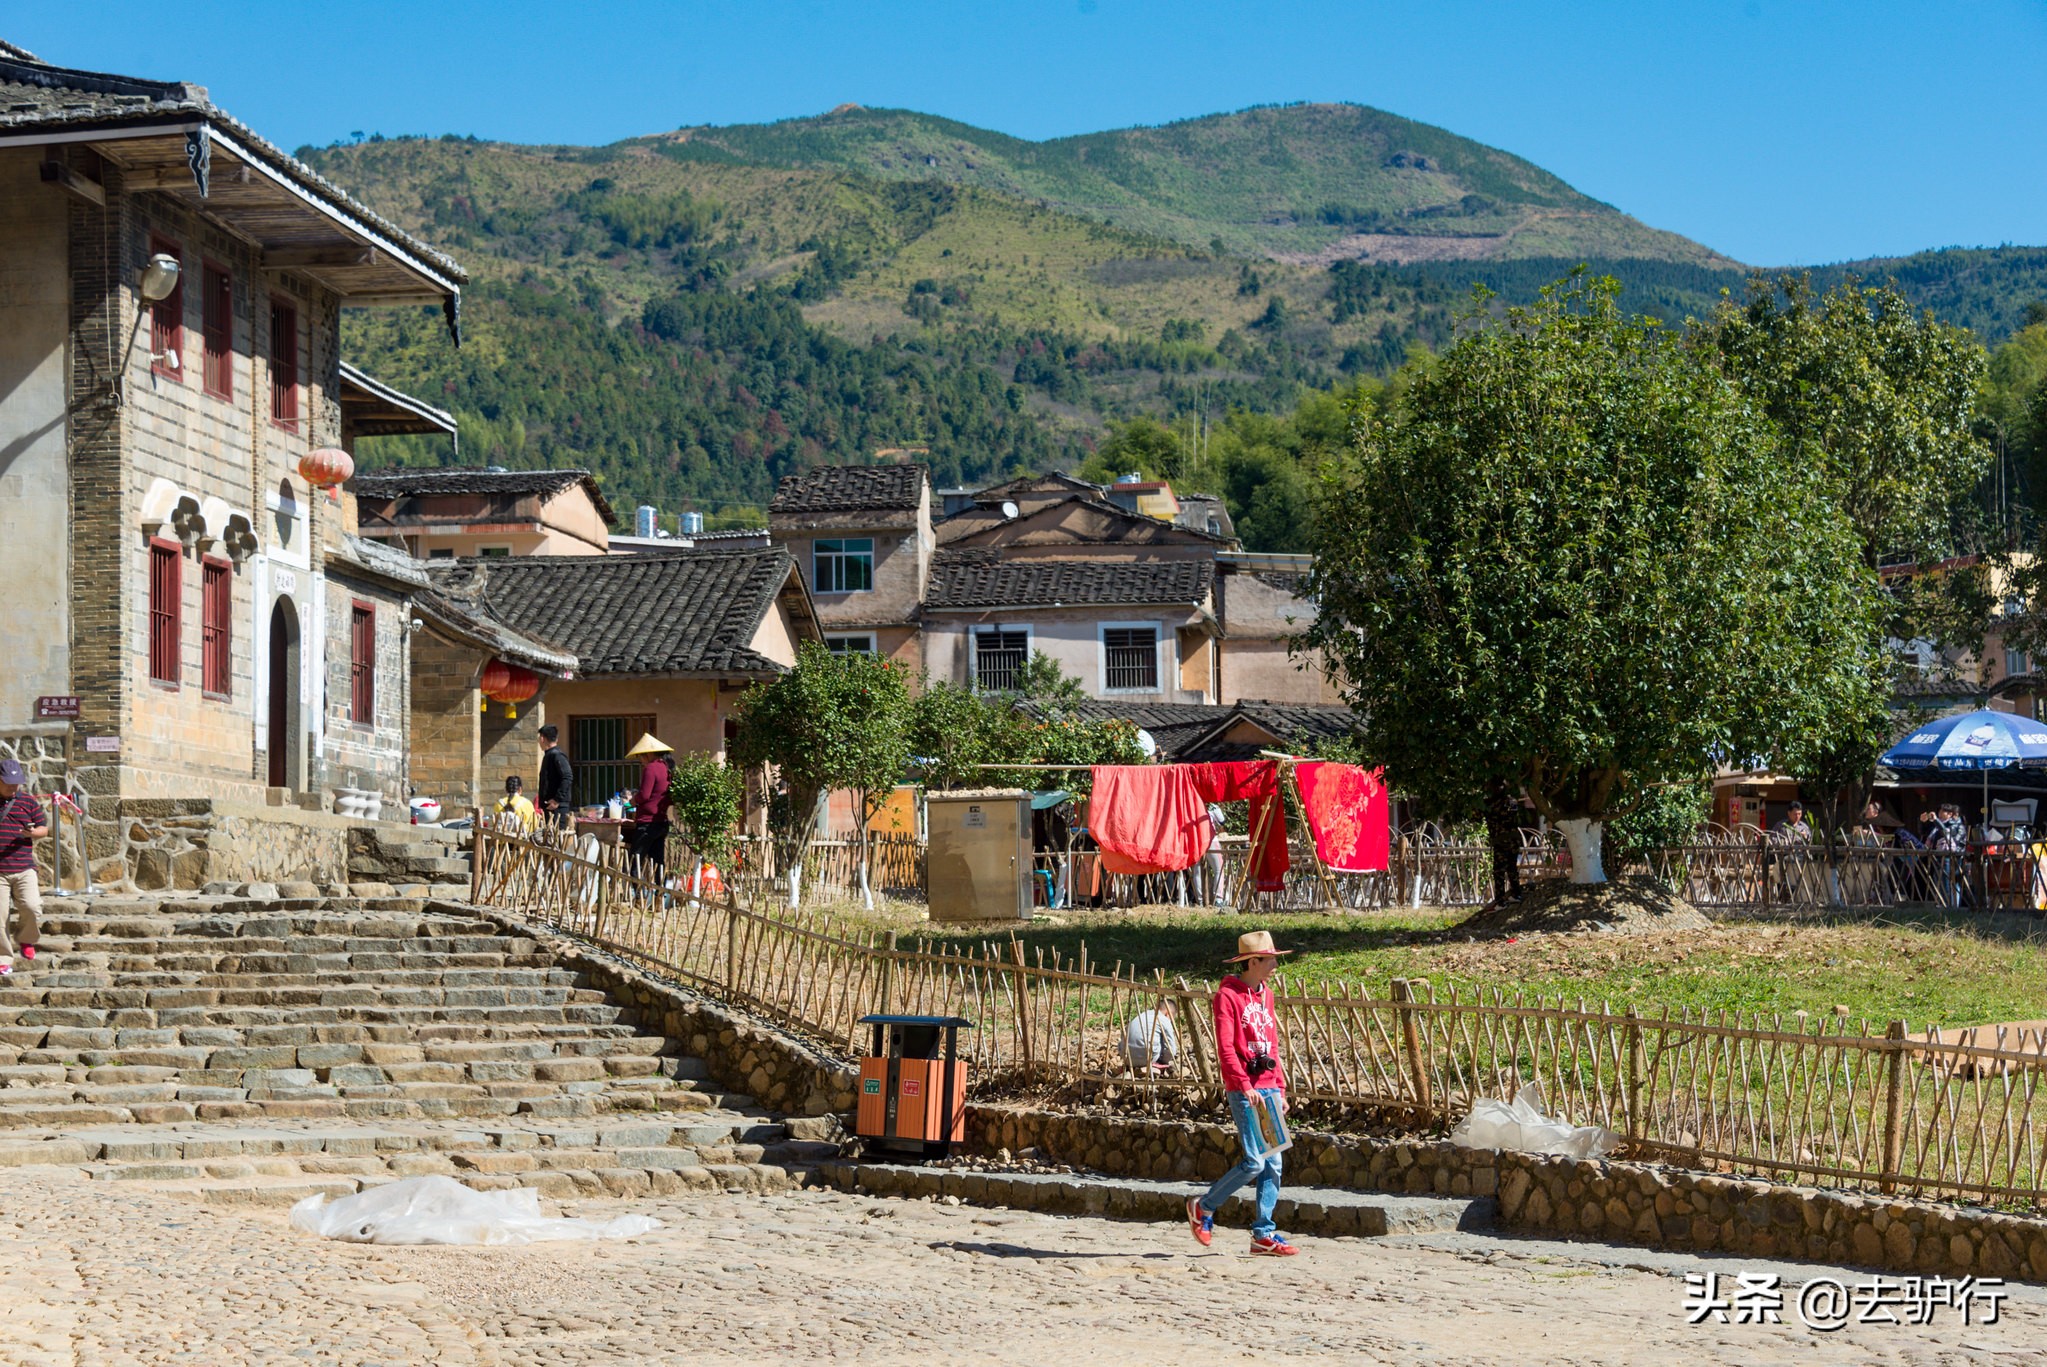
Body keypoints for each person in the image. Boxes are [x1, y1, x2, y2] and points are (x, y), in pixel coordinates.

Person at [1185, 930, 1299, 1257]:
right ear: (1253, 962)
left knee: (1273, 1163)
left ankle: (1263, 1234)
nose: (1276, 964)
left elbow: (1272, 1045)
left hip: (1268, 1088)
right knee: (1253, 1162)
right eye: (1270, 958)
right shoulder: (1227, 997)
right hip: (1245, 1088)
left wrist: (1280, 1087)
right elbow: (1225, 1048)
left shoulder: (1268, 995)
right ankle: (1203, 1206)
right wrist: (1244, 1084)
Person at [0, 759, 49, 972]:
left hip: (24, 867)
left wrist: (32, 833)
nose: (13, 786)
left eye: (16, 782)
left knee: (32, 906)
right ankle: (3, 958)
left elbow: (44, 829)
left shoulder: (28, 802)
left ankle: (26, 940)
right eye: (8, 782)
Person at [626, 733, 674, 873]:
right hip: (661, 822)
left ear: (647, 754)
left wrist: (633, 800)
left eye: (640, 757)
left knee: (635, 862)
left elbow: (644, 795)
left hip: (647, 823)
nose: (640, 761)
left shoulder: (651, 768)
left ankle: (635, 892)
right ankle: (660, 892)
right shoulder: (667, 768)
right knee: (657, 862)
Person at [1122, 999, 1178, 1075]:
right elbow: (1171, 1049)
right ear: (1168, 1014)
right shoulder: (1164, 1019)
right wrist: (1164, 1061)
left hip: (1126, 1057)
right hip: (1147, 1058)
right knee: (1162, 1041)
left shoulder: (1142, 1015)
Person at [536, 725, 574, 828]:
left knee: (558, 839)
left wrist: (557, 799)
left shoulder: (557, 755)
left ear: (542, 738)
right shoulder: (549, 755)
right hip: (549, 807)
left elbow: (567, 776)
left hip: (557, 808)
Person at [1202, 803, 1227, 907]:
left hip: (1196, 840)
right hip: (1211, 840)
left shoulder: (1192, 802)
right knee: (1219, 869)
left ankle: (1199, 899)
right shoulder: (1213, 806)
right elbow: (1222, 821)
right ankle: (1218, 899)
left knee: (1197, 870)